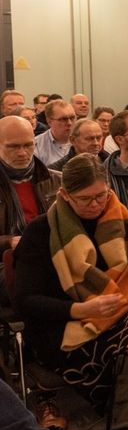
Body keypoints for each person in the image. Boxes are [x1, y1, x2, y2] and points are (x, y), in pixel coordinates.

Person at [14, 154, 128, 430]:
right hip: (66, 330)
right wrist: (82, 310)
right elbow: (25, 300)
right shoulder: (42, 230)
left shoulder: (119, 218)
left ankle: (123, 429)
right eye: (85, 199)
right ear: (65, 195)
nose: (96, 204)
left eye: (101, 195)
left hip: (119, 319)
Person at [0, 115, 61, 305]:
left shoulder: (57, 181)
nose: (22, 153)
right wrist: (8, 241)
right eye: (13, 146)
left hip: (53, 254)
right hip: (7, 261)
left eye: (28, 145)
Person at [34, 100, 76, 166]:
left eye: (72, 118)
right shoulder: (37, 146)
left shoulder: (84, 140)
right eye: (63, 119)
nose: (69, 123)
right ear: (49, 121)